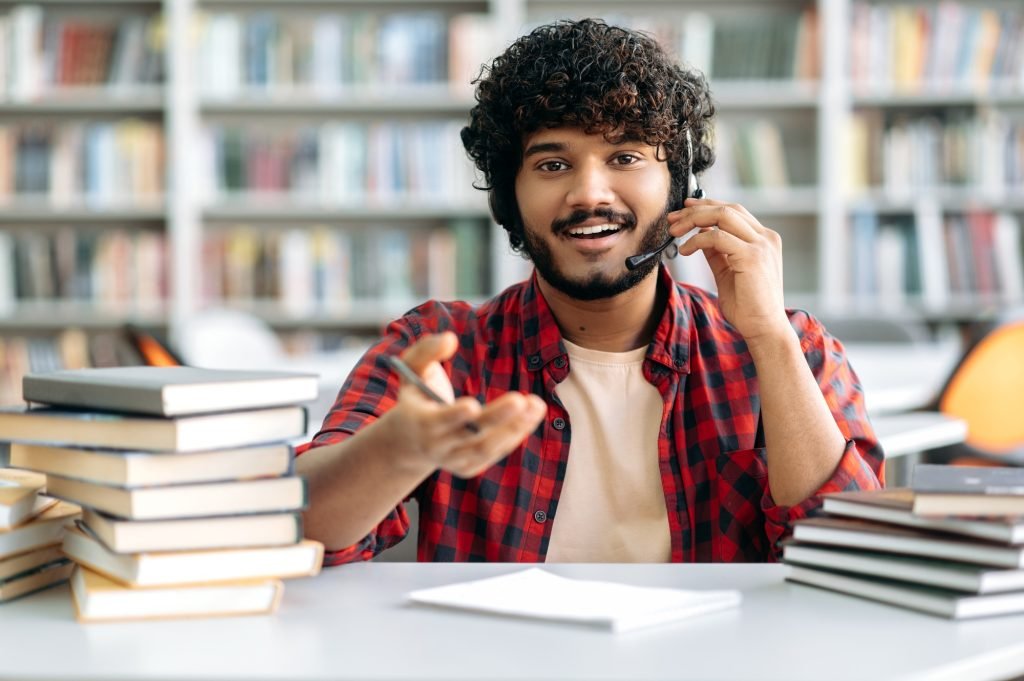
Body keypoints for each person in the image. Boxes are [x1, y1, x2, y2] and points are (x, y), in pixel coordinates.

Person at [295, 18, 883, 564]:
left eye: (625, 156)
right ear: (510, 197)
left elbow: (851, 559)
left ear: (683, 188)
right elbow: (298, 531)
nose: (589, 194)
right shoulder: (442, 349)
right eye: (552, 165)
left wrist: (770, 341)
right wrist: (398, 449)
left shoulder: (789, 347)